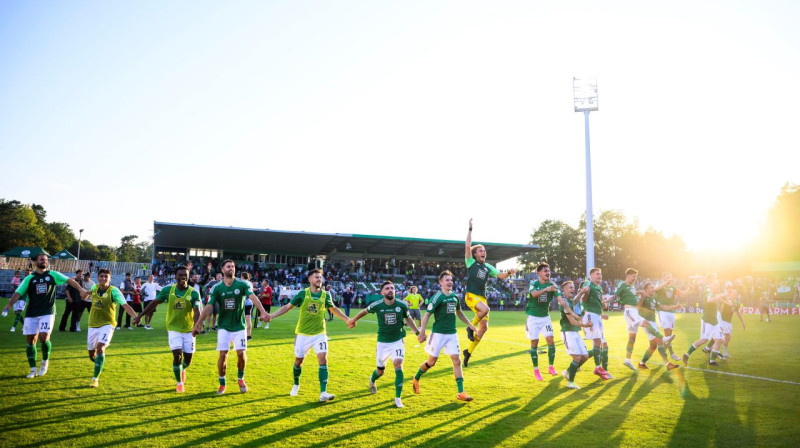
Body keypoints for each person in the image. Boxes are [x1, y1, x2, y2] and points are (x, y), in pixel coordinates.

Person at [268, 269, 349, 402]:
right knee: (299, 361)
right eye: (316, 277)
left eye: (320, 277)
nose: (319, 279)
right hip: (303, 334)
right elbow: (287, 307)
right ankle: (296, 384)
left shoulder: (325, 295)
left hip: (319, 334)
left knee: (323, 359)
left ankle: (323, 392)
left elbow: (333, 308)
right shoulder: (302, 294)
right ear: (310, 280)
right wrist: (271, 316)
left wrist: (347, 320)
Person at [2, 253, 87, 378]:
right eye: (42, 259)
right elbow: (18, 293)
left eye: (46, 260)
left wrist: (81, 290)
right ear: (35, 262)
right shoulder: (29, 278)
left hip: (47, 312)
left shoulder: (53, 275)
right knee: (31, 341)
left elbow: (70, 281)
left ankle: (44, 362)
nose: (44, 261)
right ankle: (32, 369)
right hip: (31, 313)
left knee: (44, 337)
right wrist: (8, 305)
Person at [192, 260, 269, 394]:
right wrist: (198, 324)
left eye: (233, 266)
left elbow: (253, 297)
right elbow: (209, 306)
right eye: (228, 266)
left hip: (239, 326)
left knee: (241, 354)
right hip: (223, 327)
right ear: (222, 270)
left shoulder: (242, 283)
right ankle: (222, 383)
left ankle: (240, 379)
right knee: (223, 355)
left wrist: (262, 311)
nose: (231, 268)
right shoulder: (217, 288)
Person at [348, 280, 420, 408]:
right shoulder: (378, 305)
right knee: (380, 371)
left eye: (392, 288)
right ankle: (372, 380)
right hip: (383, 343)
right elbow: (364, 311)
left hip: (398, 340)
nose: (390, 290)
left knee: (398, 365)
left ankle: (398, 398)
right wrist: (353, 320)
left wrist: (417, 332)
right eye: (387, 288)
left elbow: (408, 318)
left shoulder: (402, 305)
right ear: (382, 292)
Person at [133, 266, 202, 392]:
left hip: (188, 331)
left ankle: (182, 369)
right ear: (175, 277)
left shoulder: (193, 292)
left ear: (188, 276)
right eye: (180, 275)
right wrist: (139, 316)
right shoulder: (167, 290)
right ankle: (179, 383)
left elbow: (197, 310)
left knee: (188, 361)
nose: (182, 277)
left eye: (185, 275)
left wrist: (197, 325)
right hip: (173, 329)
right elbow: (154, 303)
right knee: (177, 356)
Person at [413, 270, 478, 402]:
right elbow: (426, 315)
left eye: (451, 280)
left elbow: (459, 312)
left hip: (452, 334)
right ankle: (416, 377)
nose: (450, 282)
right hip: (438, 334)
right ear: (441, 282)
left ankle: (461, 392)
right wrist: (422, 331)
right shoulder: (437, 297)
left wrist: (470, 324)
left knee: (457, 360)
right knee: (431, 362)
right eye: (447, 280)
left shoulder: (455, 297)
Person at [462, 219, 516, 367]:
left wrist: (509, 272)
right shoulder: (470, 263)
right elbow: (467, 245)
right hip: (471, 296)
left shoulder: (487, 267)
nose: (483, 252)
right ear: (474, 254)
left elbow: (501, 276)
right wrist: (470, 229)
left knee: (484, 328)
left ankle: (468, 352)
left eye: (484, 251)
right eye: (480, 250)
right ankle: (469, 327)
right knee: (486, 309)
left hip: (482, 298)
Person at [86, 269, 138, 387]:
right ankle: (99, 363)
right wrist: (85, 293)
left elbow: (125, 305)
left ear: (110, 279)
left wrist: (135, 317)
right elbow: (90, 292)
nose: (103, 278)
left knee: (100, 347)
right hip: (92, 325)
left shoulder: (114, 291)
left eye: (106, 277)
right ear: (98, 277)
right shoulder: (94, 288)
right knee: (91, 354)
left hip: (107, 325)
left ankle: (95, 378)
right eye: (101, 276)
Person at [615, 268, 674, 371]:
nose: (635, 278)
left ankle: (631, 361)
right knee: (656, 337)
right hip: (631, 312)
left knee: (637, 340)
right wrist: (606, 300)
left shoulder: (633, 288)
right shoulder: (623, 285)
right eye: (634, 276)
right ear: (628, 275)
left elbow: (636, 299)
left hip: (635, 314)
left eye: (636, 277)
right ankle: (667, 360)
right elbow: (616, 296)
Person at [683, 275, 731, 366]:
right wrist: (722, 295)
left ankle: (712, 361)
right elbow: (709, 300)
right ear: (711, 285)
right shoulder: (708, 291)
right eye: (715, 285)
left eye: (718, 285)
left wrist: (723, 296)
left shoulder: (715, 293)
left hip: (715, 321)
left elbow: (717, 298)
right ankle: (686, 354)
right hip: (707, 321)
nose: (717, 286)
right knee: (703, 340)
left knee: (719, 339)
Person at [526, 262, 561, 380]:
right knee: (534, 343)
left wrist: (570, 311)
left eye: (549, 270)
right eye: (545, 271)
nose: (548, 273)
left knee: (551, 340)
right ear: (539, 273)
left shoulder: (553, 285)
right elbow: (534, 294)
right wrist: (547, 289)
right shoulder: (533, 283)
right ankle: (536, 370)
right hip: (533, 318)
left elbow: (561, 299)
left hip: (545, 317)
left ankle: (551, 366)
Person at [556, 281, 594, 389]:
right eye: (570, 288)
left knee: (585, 356)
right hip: (568, 332)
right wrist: (585, 325)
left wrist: (581, 291)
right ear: (564, 290)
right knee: (577, 357)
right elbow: (572, 321)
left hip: (575, 332)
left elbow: (575, 301)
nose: (573, 289)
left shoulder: (569, 301)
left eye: (573, 287)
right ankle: (570, 382)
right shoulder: (564, 302)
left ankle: (568, 372)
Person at [636, 282, 680, 370]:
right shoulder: (643, 298)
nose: (653, 289)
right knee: (660, 341)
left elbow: (662, 306)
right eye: (651, 288)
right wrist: (641, 298)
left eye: (653, 287)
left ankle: (641, 363)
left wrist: (674, 307)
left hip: (653, 322)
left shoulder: (653, 298)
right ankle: (667, 364)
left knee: (653, 346)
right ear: (646, 290)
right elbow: (637, 308)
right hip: (647, 323)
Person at [578, 268, 612, 380]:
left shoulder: (599, 288)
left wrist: (603, 309)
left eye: (601, 274)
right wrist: (585, 292)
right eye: (597, 274)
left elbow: (602, 306)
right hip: (590, 316)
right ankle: (597, 368)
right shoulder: (588, 284)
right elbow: (583, 299)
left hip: (597, 317)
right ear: (591, 275)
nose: (600, 276)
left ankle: (603, 371)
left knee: (602, 344)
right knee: (597, 341)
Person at [654, 272, 690, 361]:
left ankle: (665, 355)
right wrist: (666, 282)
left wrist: (690, 288)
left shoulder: (673, 287)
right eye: (667, 276)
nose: (670, 278)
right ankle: (671, 353)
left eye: (670, 276)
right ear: (663, 278)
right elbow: (656, 289)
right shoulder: (660, 285)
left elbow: (683, 294)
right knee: (667, 335)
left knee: (669, 336)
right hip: (662, 311)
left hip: (671, 312)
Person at [241, 272, 254, 341]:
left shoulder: (242, 283)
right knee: (248, 320)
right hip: (250, 303)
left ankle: (241, 334)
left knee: (240, 320)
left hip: (243, 303)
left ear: (242, 276)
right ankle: (249, 335)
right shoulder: (250, 283)